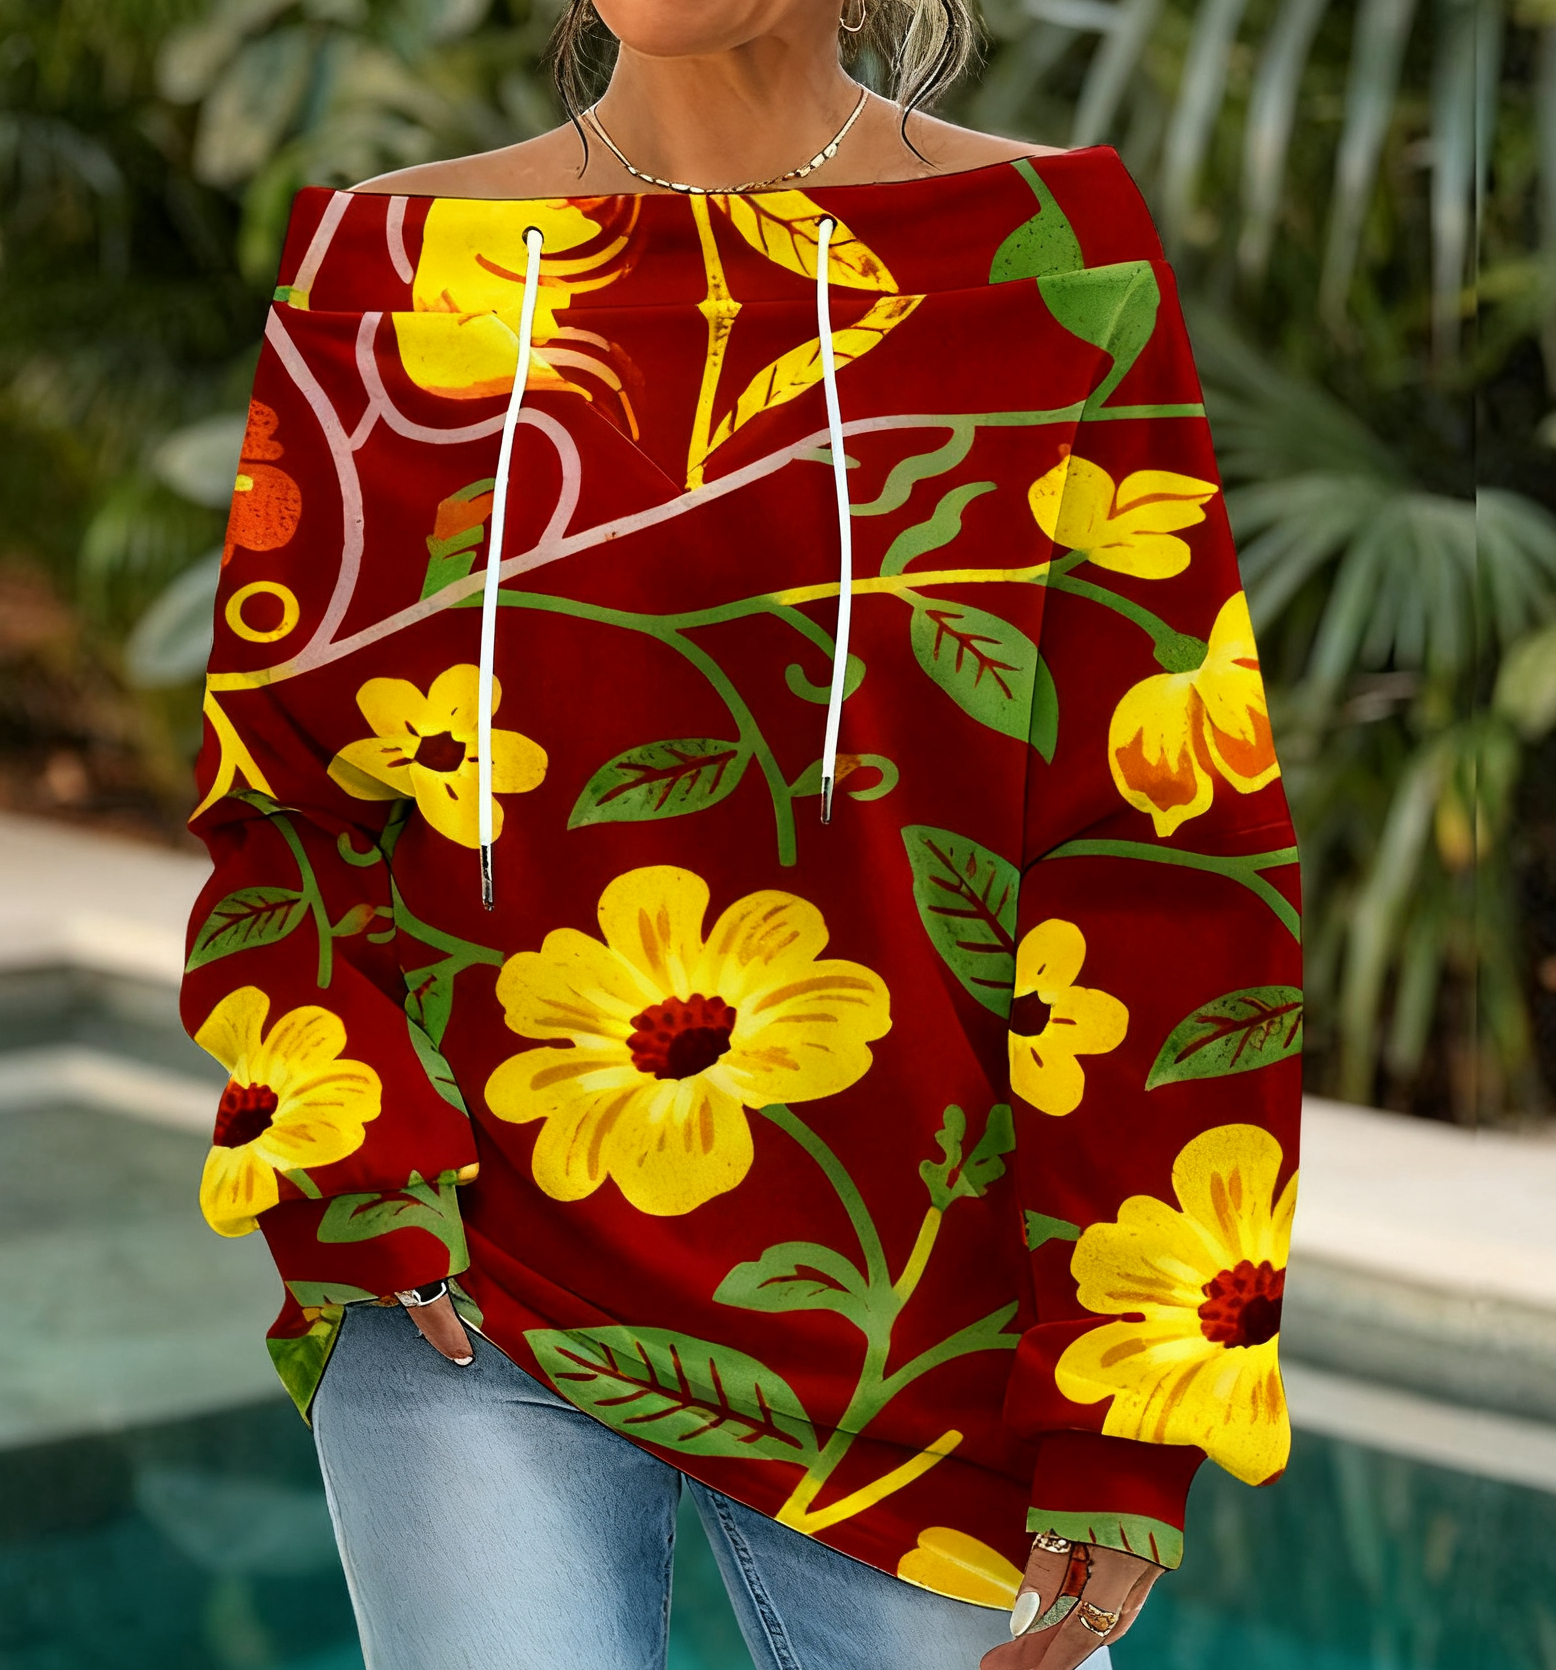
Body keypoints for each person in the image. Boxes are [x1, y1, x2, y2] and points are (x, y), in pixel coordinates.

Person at [179, 2, 1303, 1667]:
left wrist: (1132, 1392)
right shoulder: (392, 274)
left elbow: (1161, 848)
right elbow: (283, 796)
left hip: (924, 1350)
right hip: (472, 1288)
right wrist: (356, 1179)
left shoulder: (1049, 262)